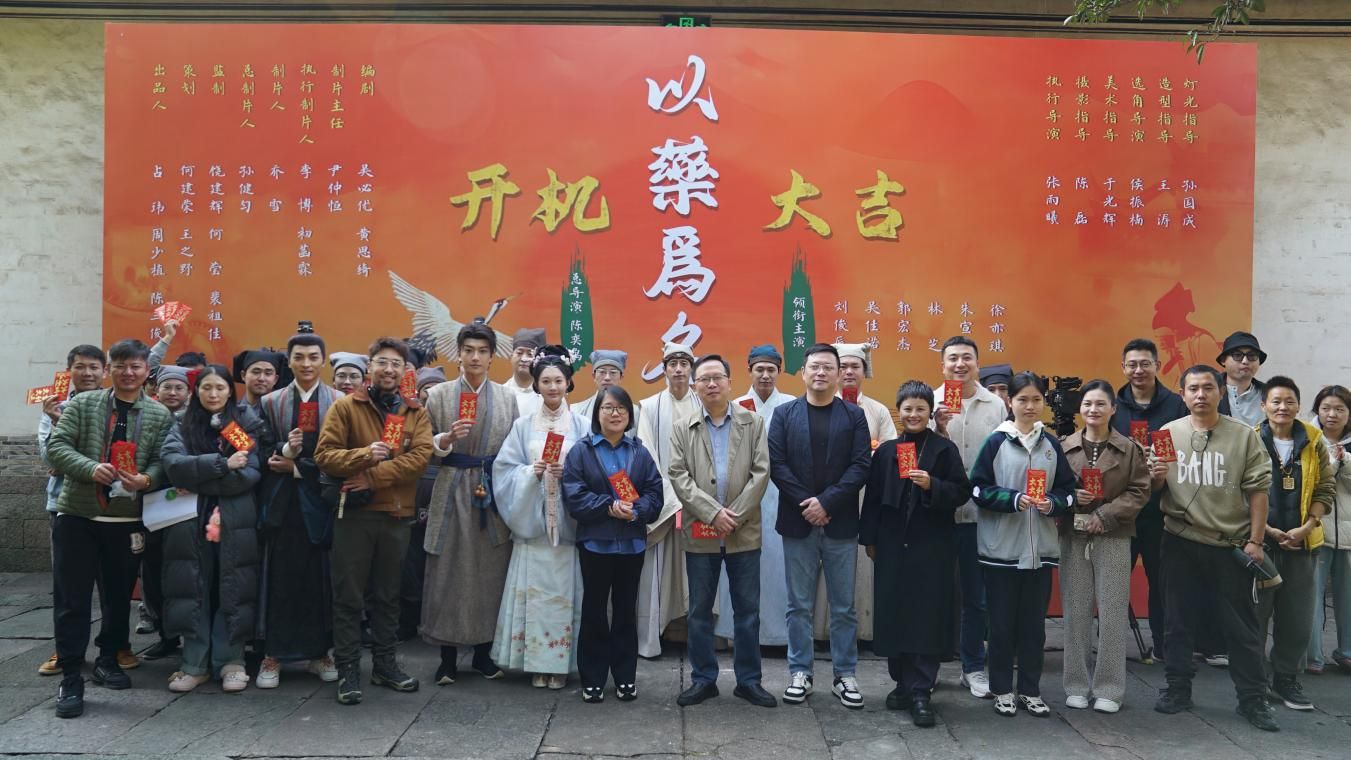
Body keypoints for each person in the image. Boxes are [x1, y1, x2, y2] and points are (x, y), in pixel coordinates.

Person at [46, 339, 174, 718]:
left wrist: (147, 480)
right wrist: (90, 468)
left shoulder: (159, 414)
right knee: (72, 598)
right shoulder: (83, 404)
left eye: (136, 366)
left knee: (118, 596)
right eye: (120, 365)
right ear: (109, 369)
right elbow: (57, 447)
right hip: (78, 516)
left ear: (146, 371)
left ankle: (108, 658)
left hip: (126, 519)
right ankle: (71, 675)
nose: (128, 372)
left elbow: (162, 461)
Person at [1151, 365, 1277, 731]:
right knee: (1177, 621)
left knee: (1241, 627)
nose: (1201, 394)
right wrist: (1155, 477)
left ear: (1221, 392)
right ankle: (1177, 689)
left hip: (1229, 544)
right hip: (1180, 541)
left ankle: (1253, 699)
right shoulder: (1167, 433)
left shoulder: (1243, 436)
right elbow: (1157, 487)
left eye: (1208, 387)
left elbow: (1258, 491)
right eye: (1193, 388)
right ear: (1182, 394)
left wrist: (1256, 541)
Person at [315, 337, 433, 705]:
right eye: (382, 362)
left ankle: (385, 665)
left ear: (405, 371)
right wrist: (364, 455)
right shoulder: (346, 407)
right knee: (349, 596)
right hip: (355, 515)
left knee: (388, 595)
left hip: (396, 514)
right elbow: (324, 455)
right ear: (370, 367)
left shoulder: (414, 412)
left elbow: (420, 458)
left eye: (396, 364)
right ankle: (348, 669)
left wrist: (374, 476)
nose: (389, 370)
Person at [859, 381, 972, 728]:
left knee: (926, 616)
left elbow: (961, 491)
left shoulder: (944, 450)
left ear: (929, 412)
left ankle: (922, 689)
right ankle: (901, 683)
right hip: (892, 545)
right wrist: (870, 539)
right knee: (895, 613)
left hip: (932, 547)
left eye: (920, 409)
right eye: (907, 409)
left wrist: (932, 485)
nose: (913, 415)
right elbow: (873, 498)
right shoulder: (887, 451)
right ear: (899, 412)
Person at [768, 343, 871, 709]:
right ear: (803, 372)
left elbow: (861, 465)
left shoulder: (854, 416)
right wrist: (809, 505)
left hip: (840, 522)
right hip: (798, 523)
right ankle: (801, 672)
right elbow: (777, 465)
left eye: (828, 367)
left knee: (844, 606)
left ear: (839, 373)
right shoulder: (784, 414)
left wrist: (827, 502)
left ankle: (845, 675)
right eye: (814, 366)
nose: (821, 373)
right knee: (798, 604)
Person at [670, 354, 775, 709]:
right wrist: (713, 513)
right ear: (695, 386)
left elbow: (761, 473)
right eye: (704, 379)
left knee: (747, 610)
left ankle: (749, 681)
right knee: (699, 610)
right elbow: (678, 476)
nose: (711, 384)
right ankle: (703, 679)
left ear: (730, 382)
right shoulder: (682, 427)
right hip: (700, 531)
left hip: (743, 532)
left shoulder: (753, 423)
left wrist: (735, 516)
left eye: (718, 377)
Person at [969, 372, 1074, 718]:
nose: (1030, 406)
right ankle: (1002, 689)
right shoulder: (996, 442)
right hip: (1001, 552)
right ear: (1009, 402)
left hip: (1041, 552)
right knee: (1001, 626)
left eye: (1036, 400)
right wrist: (1013, 499)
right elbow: (977, 489)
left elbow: (1067, 491)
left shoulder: (1051, 445)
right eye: (1022, 400)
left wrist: (1052, 504)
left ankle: (1030, 690)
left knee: (1033, 628)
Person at [422, 321, 520, 684]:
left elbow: (513, 449)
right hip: (450, 485)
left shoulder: (507, 398)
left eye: (482, 351)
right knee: (446, 570)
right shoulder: (438, 395)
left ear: (492, 357)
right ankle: (446, 658)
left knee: (489, 571)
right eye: (468, 351)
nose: (475, 357)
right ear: (458, 355)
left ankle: (483, 654)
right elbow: (421, 446)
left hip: (490, 489)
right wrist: (445, 440)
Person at [159, 365, 266, 693]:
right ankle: (194, 663)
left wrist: (200, 479)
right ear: (197, 392)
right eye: (207, 388)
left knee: (232, 586)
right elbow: (173, 465)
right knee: (194, 586)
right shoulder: (184, 423)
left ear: (230, 391)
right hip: (190, 521)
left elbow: (248, 473)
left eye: (220, 387)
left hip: (235, 521)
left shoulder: (241, 424)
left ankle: (230, 660)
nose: (214, 394)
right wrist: (221, 464)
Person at [490, 346, 589, 689]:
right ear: (536, 384)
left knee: (563, 597)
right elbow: (504, 470)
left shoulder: (582, 425)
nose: (552, 387)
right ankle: (534, 663)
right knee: (534, 597)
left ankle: (560, 664)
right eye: (545, 381)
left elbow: (594, 472)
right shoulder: (522, 426)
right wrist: (529, 473)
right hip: (532, 527)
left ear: (568, 382)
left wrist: (569, 473)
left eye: (558, 380)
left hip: (567, 528)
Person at [255, 325, 344, 689]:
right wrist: (283, 450)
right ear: (288, 361)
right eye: (299, 357)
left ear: (323, 361)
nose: (306, 364)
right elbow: (257, 448)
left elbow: (343, 455)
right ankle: (273, 654)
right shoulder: (270, 402)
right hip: (281, 503)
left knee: (320, 579)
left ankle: (320, 653)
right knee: (278, 577)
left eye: (313, 357)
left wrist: (298, 467)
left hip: (321, 500)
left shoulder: (339, 400)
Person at [562, 386, 663, 703]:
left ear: (630, 415)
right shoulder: (582, 451)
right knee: (594, 610)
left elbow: (655, 493)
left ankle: (625, 677)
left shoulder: (639, 451)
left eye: (621, 408)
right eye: (608, 407)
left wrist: (637, 510)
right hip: (595, 543)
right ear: (597, 414)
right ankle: (592, 678)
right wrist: (608, 506)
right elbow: (574, 495)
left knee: (625, 612)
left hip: (632, 544)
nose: (615, 413)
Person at [1060, 380, 1149, 714]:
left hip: (1113, 535)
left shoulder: (1129, 449)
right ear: (1080, 409)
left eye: (1100, 404)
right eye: (1087, 404)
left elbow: (1140, 490)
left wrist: (1107, 514)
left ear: (1113, 409)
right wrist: (1071, 498)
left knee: (1112, 612)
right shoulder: (1064, 446)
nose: (1093, 410)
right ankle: (1076, 684)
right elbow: (1054, 487)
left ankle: (1110, 688)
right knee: (1076, 611)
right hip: (1074, 535)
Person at [36, 346, 120, 677]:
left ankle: (116, 646)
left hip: (112, 507)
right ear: (68, 371)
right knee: (69, 586)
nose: (87, 373)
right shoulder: (53, 408)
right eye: (80, 367)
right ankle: (66, 649)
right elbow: (50, 460)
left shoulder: (117, 406)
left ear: (105, 371)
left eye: (94, 367)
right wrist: (58, 422)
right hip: (65, 505)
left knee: (113, 583)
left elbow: (115, 457)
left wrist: (71, 459)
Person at [933, 336, 1007, 699]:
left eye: (966, 358)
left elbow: (1004, 458)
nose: (959, 364)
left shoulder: (995, 405)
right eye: (953, 359)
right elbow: (918, 454)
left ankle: (973, 667)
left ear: (977, 364)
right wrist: (938, 429)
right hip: (938, 516)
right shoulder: (931, 402)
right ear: (942, 365)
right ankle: (928, 667)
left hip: (980, 515)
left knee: (976, 597)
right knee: (935, 594)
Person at [1254, 376, 1333, 711]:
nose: (1282, 407)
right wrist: (1268, 530)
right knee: (1256, 616)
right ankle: (1254, 682)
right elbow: (1240, 492)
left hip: (1303, 544)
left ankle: (1285, 678)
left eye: (1289, 401)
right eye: (1275, 401)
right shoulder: (1251, 439)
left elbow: (1325, 488)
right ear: (1264, 405)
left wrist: (1308, 526)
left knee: (1297, 617)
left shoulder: (1313, 440)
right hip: (1261, 542)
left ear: (1299, 406)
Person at [1111, 337, 1189, 664]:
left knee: (1163, 584)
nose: (1138, 370)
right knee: (1114, 586)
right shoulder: (1113, 407)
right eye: (1132, 364)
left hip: (1162, 512)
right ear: (1123, 367)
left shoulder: (1176, 406)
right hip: (1123, 513)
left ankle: (1163, 647)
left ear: (1157, 365)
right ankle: (1111, 650)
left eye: (1145, 363)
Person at [821, 343, 896, 646]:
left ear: (865, 372)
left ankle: (865, 632)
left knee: (863, 569)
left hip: (867, 496)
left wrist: (873, 453)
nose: (849, 372)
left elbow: (892, 453)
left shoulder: (878, 410)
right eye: (844, 367)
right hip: (831, 498)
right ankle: (822, 632)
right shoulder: (820, 405)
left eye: (856, 367)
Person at [720, 344, 795, 647]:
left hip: (781, 494)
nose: (765, 375)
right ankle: (737, 634)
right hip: (742, 496)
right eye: (759, 369)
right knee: (740, 565)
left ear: (779, 371)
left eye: (771, 369)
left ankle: (780, 635)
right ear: (749, 371)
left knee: (779, 564)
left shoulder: (791, 405)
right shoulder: (734, 405)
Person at [634, 342, 700, 657]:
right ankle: (652, 638)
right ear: (664, 369)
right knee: (657, 571)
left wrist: (693, 498)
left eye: (684, 363)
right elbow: (646, 457)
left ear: (691, 369)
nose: (678, 369)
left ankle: (697, 637)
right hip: (664, 506)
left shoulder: (704, 405)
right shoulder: (648, 407)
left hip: (698, 505)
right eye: (672, 363)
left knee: (697, 571)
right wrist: (673, 498)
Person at [399, 366, 448, 641]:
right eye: (425, 390)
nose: (430, 396)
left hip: (442, 495)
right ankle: (408, 620)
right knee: (409, 560)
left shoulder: (451, 420)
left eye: (436, 390)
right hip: (411, 494)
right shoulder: (405, 417)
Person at [1308, 385, 1351, 673]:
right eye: (1326, 408)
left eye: (1339, 409)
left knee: (1349, 598)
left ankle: (1347, 652)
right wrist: (1331, 461)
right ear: (1317, 411)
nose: (1332, 414)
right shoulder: (1307, 439)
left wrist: (1345, 461)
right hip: (1315, 528)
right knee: (1310, 596)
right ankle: (1312, 655)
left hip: (1349, 533)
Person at [573, 350, 640, 434]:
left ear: (621, 377)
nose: (607, 377)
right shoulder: (577, 410)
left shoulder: (635, 412)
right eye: (602, 372)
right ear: (594, 376)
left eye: (613, 372)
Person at [1217, 331, 1267, 426]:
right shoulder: (1209, 390)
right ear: (1223, 360)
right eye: (1237, 355)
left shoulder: (1269, 393)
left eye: (1252, 356)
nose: (1245, 361)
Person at [233, 348, 287, 413]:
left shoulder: (282, 412)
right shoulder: (230, 411)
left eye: (268, 373)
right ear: (243, 375)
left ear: (275, 379)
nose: (261, 378)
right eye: (256, 372)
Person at [506, 327, 547, 402]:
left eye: (530, 354)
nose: (524, 359)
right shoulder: (501, 393)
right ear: (511, 356)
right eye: (519, 353)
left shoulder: (548, 395)